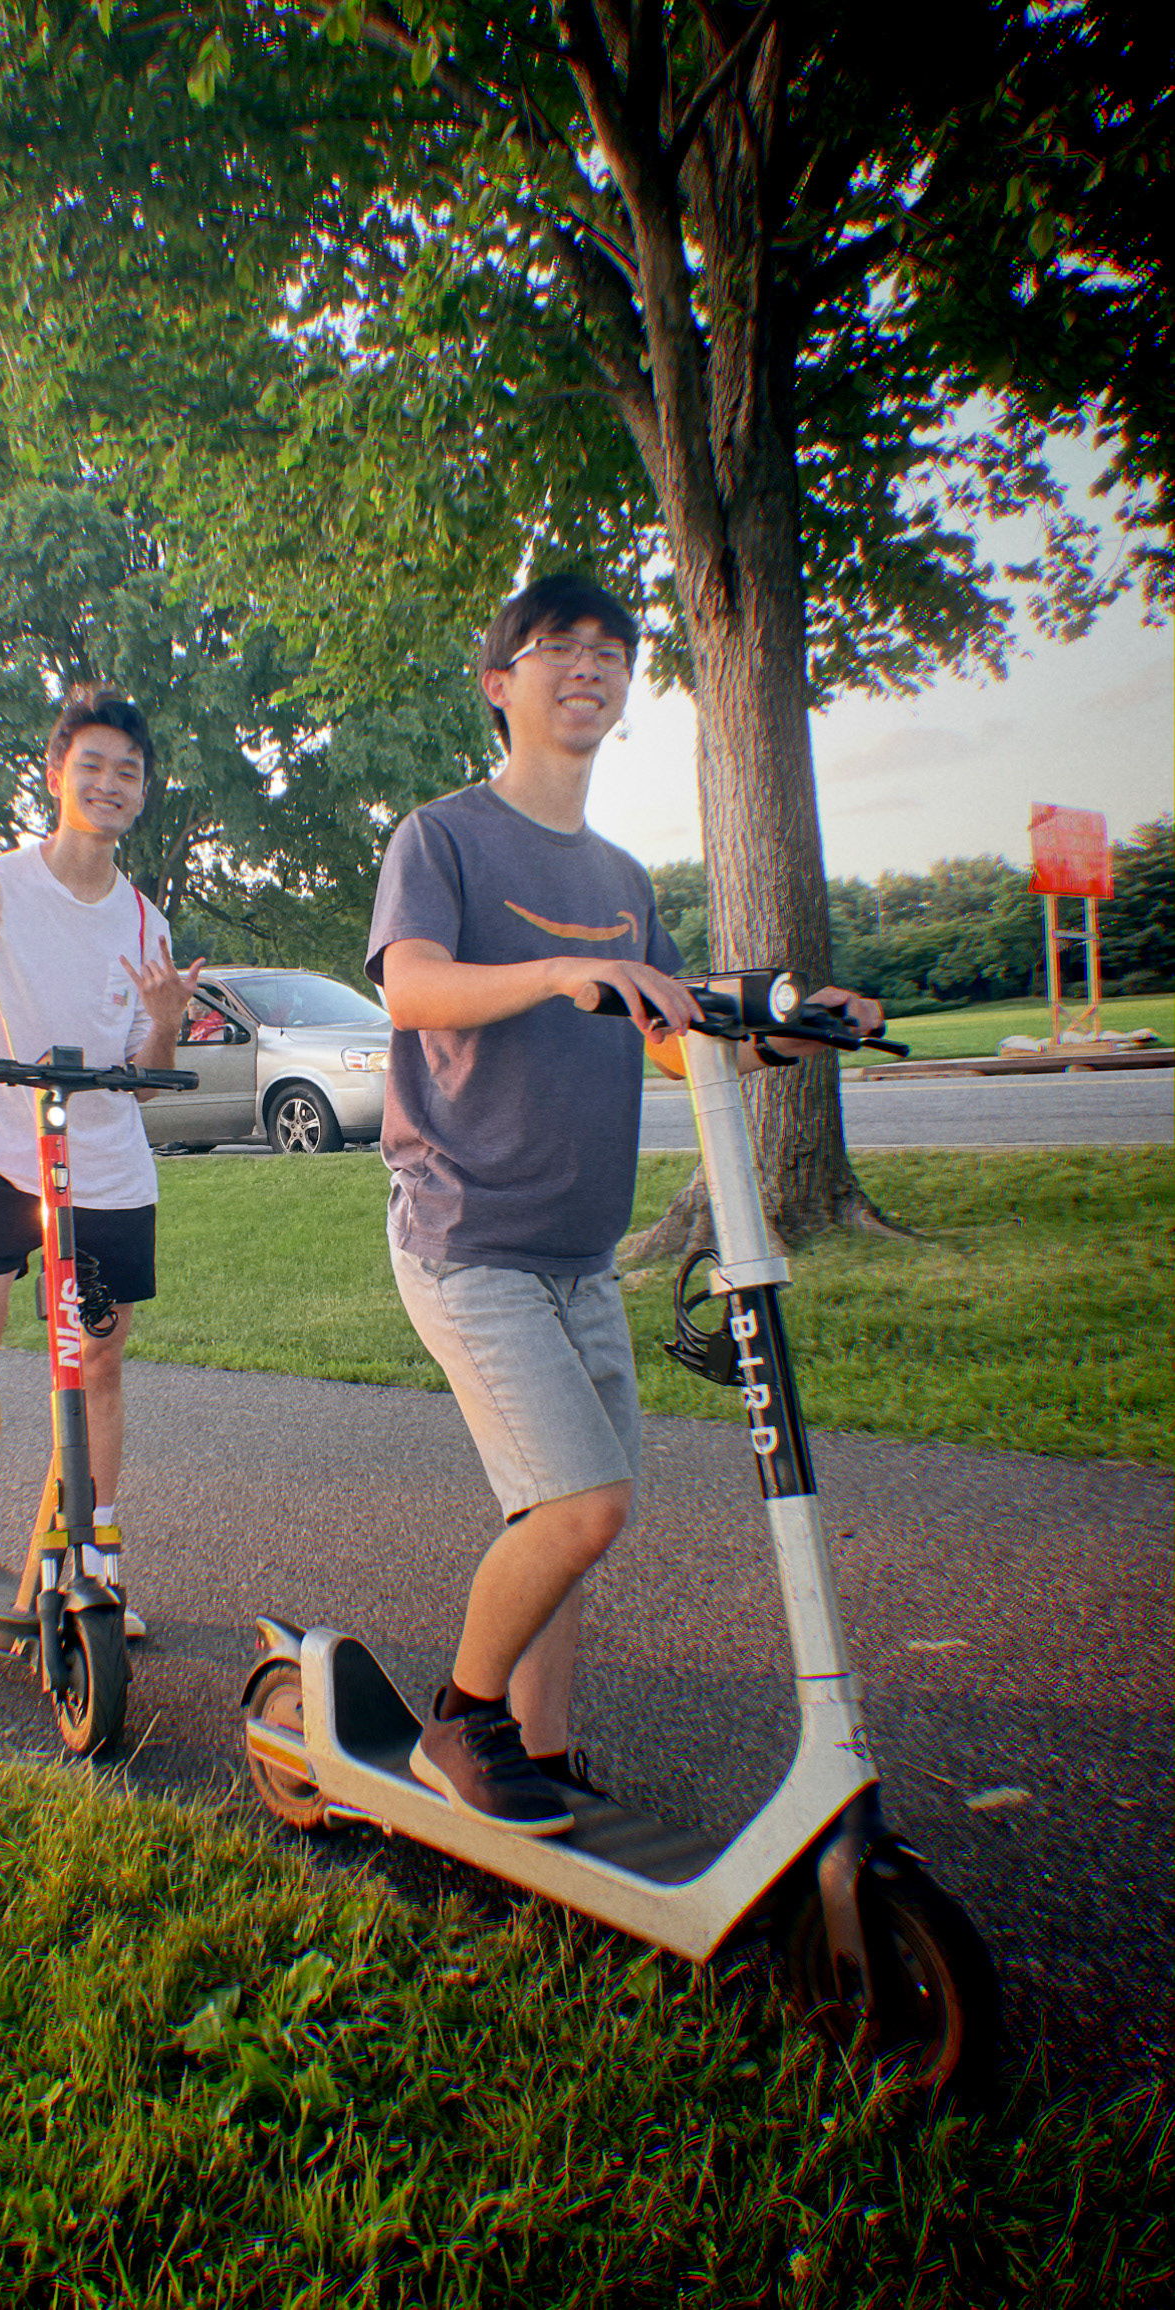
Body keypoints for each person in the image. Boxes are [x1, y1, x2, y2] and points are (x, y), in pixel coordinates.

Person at [366, 573, 882, 1835]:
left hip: (579, 1249)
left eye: (609, 650)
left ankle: (539, 1754)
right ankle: (463, 1722)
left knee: (573, 1516)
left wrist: (784, 1040)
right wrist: (561, 969)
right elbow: (411, 992)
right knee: (578, 1504)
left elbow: (657, 1037)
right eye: (555, 648)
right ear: (501, 685)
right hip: (466, 1233)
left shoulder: (617, 872)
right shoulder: (440, 837)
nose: (586, 667)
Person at [0, 687, 203, 1638]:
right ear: (58, 776)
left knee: (98, 1363)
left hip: (103, 1165)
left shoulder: (146, 924)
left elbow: (147, 1086)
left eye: (128, 774)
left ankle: (97, 1556)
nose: (109, 785)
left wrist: (162, 1025)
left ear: (142, 796)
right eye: (93, 767)